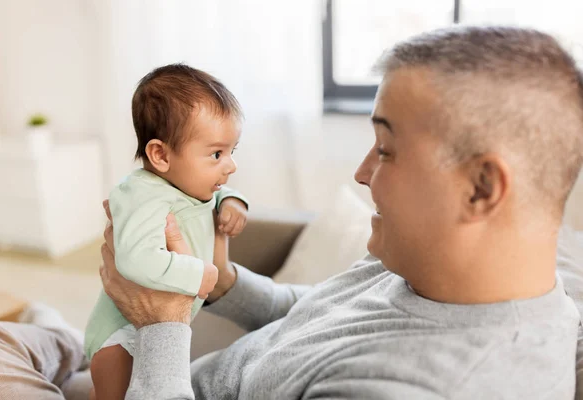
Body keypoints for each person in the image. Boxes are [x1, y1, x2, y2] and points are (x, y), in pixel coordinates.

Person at [99, 26, 583, 399]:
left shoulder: (425, 386)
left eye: (387, 149)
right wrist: (227, 283)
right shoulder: (439, 264)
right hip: (177, 375)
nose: (362, 172)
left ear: (481, 187)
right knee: (45, 335)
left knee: (23, 341)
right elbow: (318, 316)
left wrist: (162, 324)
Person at [84, 64, 249, 399]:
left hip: (159, 325)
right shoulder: (142, 194)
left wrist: (232, 200)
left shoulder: (186, 182)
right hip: (120, 334)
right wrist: (198, 273)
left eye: (233, 151)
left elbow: (212, 196)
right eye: (217, 153)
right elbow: (135, 259)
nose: (231, 165)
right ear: (160, 154)